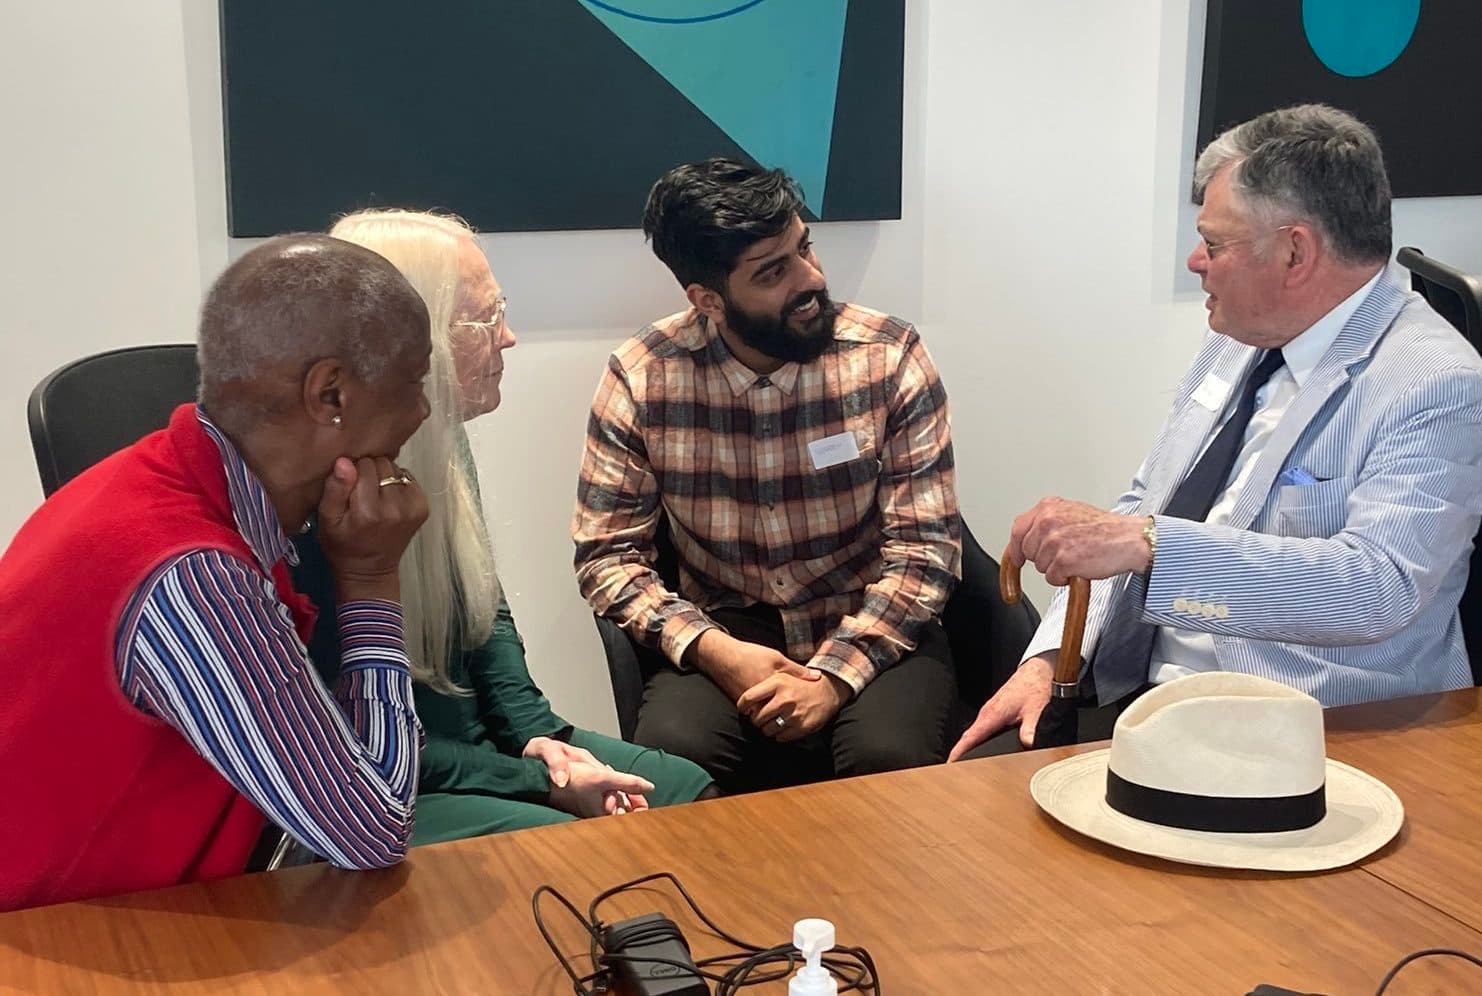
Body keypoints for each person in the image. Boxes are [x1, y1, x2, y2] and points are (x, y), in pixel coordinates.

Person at [952, 104, 1482, 760]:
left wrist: (1151, 545)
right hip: (1151, 690)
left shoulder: (1435, 380)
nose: (1196, 261)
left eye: (1217, 243)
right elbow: (1148, 503)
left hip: (1315, 725)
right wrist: (1049, 658)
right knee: (975, 780)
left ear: (1295, 251)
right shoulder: (1243, 333)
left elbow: (1380, 584)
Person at [0, 235, 434, 910]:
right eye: (415, 381)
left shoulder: (140, 481)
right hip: (58, 942)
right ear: (332, 394)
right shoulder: (192, 574)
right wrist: (372, 577)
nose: (423, 411)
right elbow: (371, 833)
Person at [289, 209, 714, 843]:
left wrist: (537, 737)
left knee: (688, 791)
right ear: (412, 338)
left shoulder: (443, 440)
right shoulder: (317, 495)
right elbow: (347, 741)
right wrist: (538, 783)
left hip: (480, 751)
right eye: (484, 321)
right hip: (386, 780)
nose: (509, 337)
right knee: (565, 844)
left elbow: (485, 610)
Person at [573, 159, 961, 794]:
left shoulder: (888, 357)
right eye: (773, 272)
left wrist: (835, 675)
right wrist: (717, 652)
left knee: (888, 760)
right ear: (707, 299)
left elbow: (927, 550)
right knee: (674, 768)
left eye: (804, 247)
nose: (811, 279)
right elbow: (606, 556)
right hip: (727, 626)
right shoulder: (642, 377)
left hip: (869, 616)